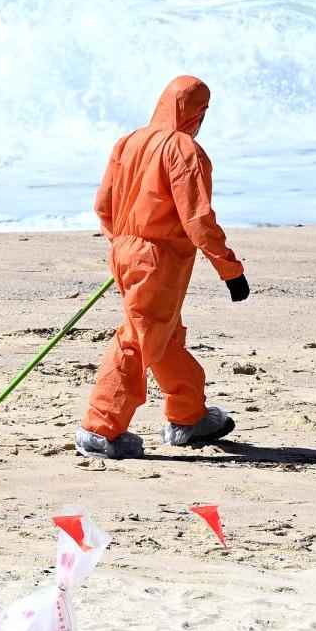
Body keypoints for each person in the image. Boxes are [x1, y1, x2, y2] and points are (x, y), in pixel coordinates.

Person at [75, 74, 250, 458]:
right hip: (158, 259)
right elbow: (198, 221)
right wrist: (230, 271)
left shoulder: (128, 141)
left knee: (163, 337)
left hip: (126, 249)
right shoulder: (185, 150)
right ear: (195, 113)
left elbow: (103, 206)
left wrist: (124, 243)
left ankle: (189, 416)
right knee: (138, 341)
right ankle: (100, 429)